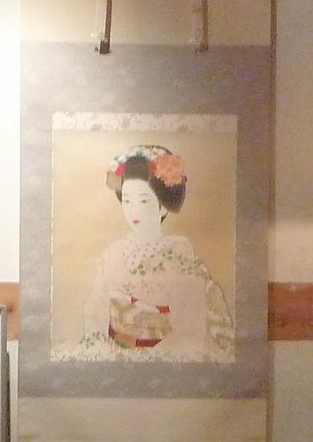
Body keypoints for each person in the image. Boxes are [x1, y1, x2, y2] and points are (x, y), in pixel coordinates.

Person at [76, 144, 233, 361]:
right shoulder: (112, 255)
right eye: (127, 200)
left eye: (143, 200)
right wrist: (101, 347)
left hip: (162, 358)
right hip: (111, 355)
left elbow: (190, 328)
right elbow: (96, 307)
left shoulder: (182, 259)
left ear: (163, 205)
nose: (134, 210)